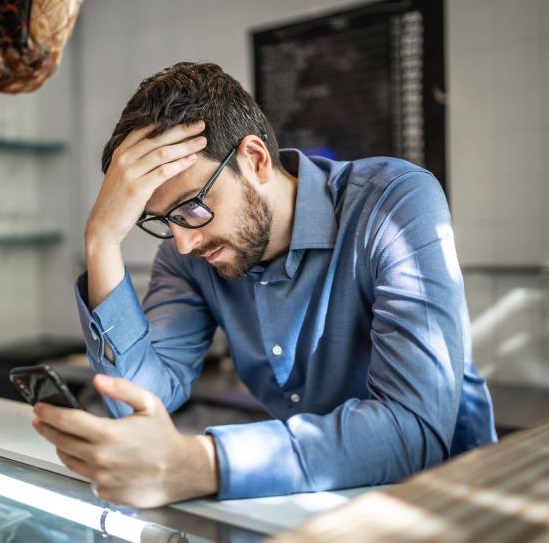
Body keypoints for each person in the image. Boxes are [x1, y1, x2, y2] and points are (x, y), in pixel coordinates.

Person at [31, 62, 497, 508]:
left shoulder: (394, 202)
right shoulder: (186, 254)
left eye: (192, 207)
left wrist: (200, 464)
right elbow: (137, 400)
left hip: (453, 505)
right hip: (318, 506)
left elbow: (414, 431)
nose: (184, 242)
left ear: (254, 160)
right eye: (161, 221)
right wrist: (102, 239)